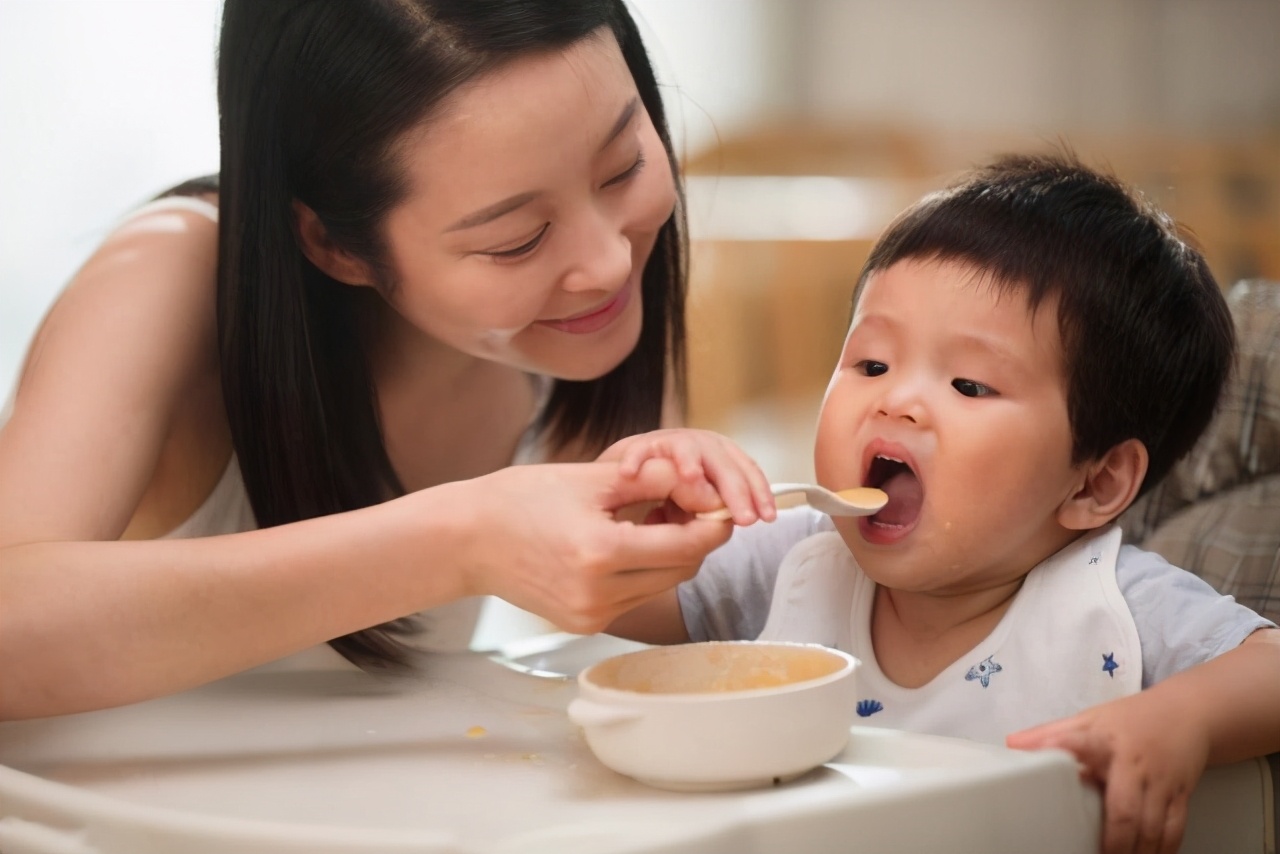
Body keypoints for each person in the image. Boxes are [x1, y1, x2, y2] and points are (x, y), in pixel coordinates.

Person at [0, 0, 739, 721]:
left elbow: (645, 616)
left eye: (622, 168)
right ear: (334, 244)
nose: (609, 262)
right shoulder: (168, 273)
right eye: (516, 239)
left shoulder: (570, 318)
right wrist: (462, 541)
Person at [601, 152, 1280, 854]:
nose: (896, 399)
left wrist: (1180, 721)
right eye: (872, 364)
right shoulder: (794, 560)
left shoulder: (1115, 609)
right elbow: (609, 603)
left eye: (969, 385)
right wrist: (631, 512)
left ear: (1094, 483)